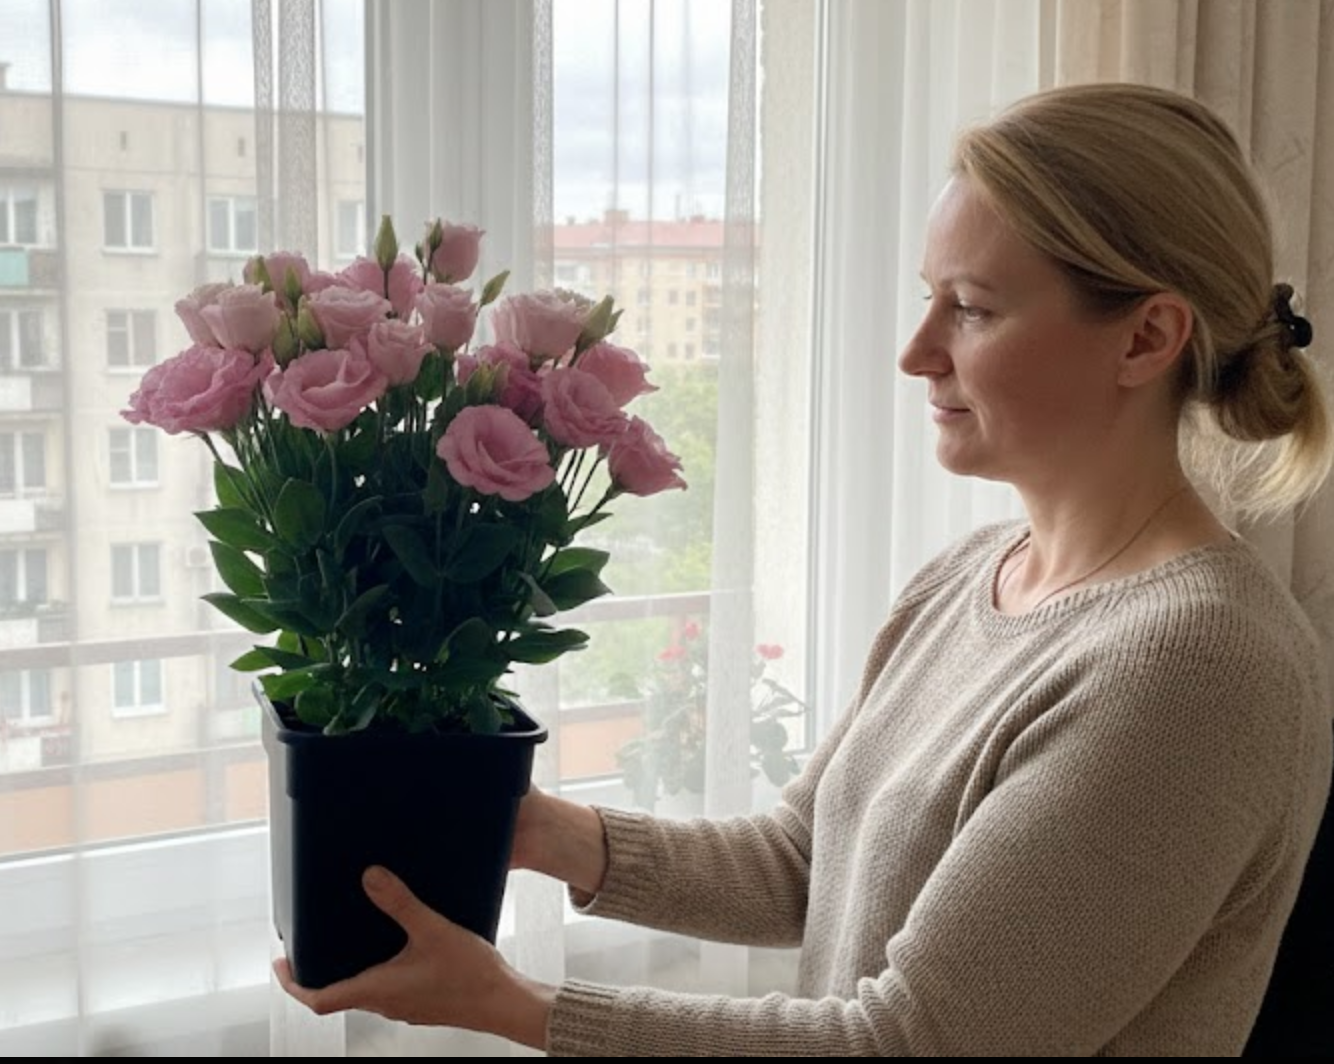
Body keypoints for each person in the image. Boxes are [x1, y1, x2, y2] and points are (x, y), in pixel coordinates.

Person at [274, 82, 1333, 1056]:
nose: (916, 350)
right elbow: (802, 860)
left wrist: (516, 1005)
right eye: (929, 297)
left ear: (1145, 338)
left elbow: (905, 1043)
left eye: (971, 306)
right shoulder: (972, 575)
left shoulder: (1198, 667)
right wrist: (542, 830)